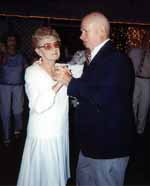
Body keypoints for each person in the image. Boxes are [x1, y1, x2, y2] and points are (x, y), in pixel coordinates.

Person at [53, 12, 135, 186]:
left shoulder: (116, 59)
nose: (80, 36)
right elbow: (92, 89)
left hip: (108, 146)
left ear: (101, 31)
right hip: (92, 143)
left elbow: (105, 97)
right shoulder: (96, 58)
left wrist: (70, 82)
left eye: (85, 31)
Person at [17, 26, 70, 186]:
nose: (54, 48)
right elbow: (38, 106)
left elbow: (70, 99)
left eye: (56, 44)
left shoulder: (62, 68)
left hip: (60, 131)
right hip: (44, 134)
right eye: (47, 46)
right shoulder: (32, 72)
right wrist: (60, 83)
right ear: (38, 51)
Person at [0, 33, 27, 145]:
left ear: (16, 42)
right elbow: (3, 62)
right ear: (6, 42)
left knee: (18, 110)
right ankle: (6, 136)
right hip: (4, 86)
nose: (11, 42)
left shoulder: (21, 56)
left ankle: (17, 130)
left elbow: (27, 69)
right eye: (9, 40)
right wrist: (4, 51)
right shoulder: (2, 55)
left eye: (13, 40)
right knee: (5, 111)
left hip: (18, 86)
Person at [128, 31, 150, 135]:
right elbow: (128, 64)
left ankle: (140, 129)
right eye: (145, 38)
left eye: (148, 39)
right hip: (135, 80)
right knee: (133, 103)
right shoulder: (134, 51)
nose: (146, 41)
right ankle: (132, 125)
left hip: (147, 81)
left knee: (144, 105)